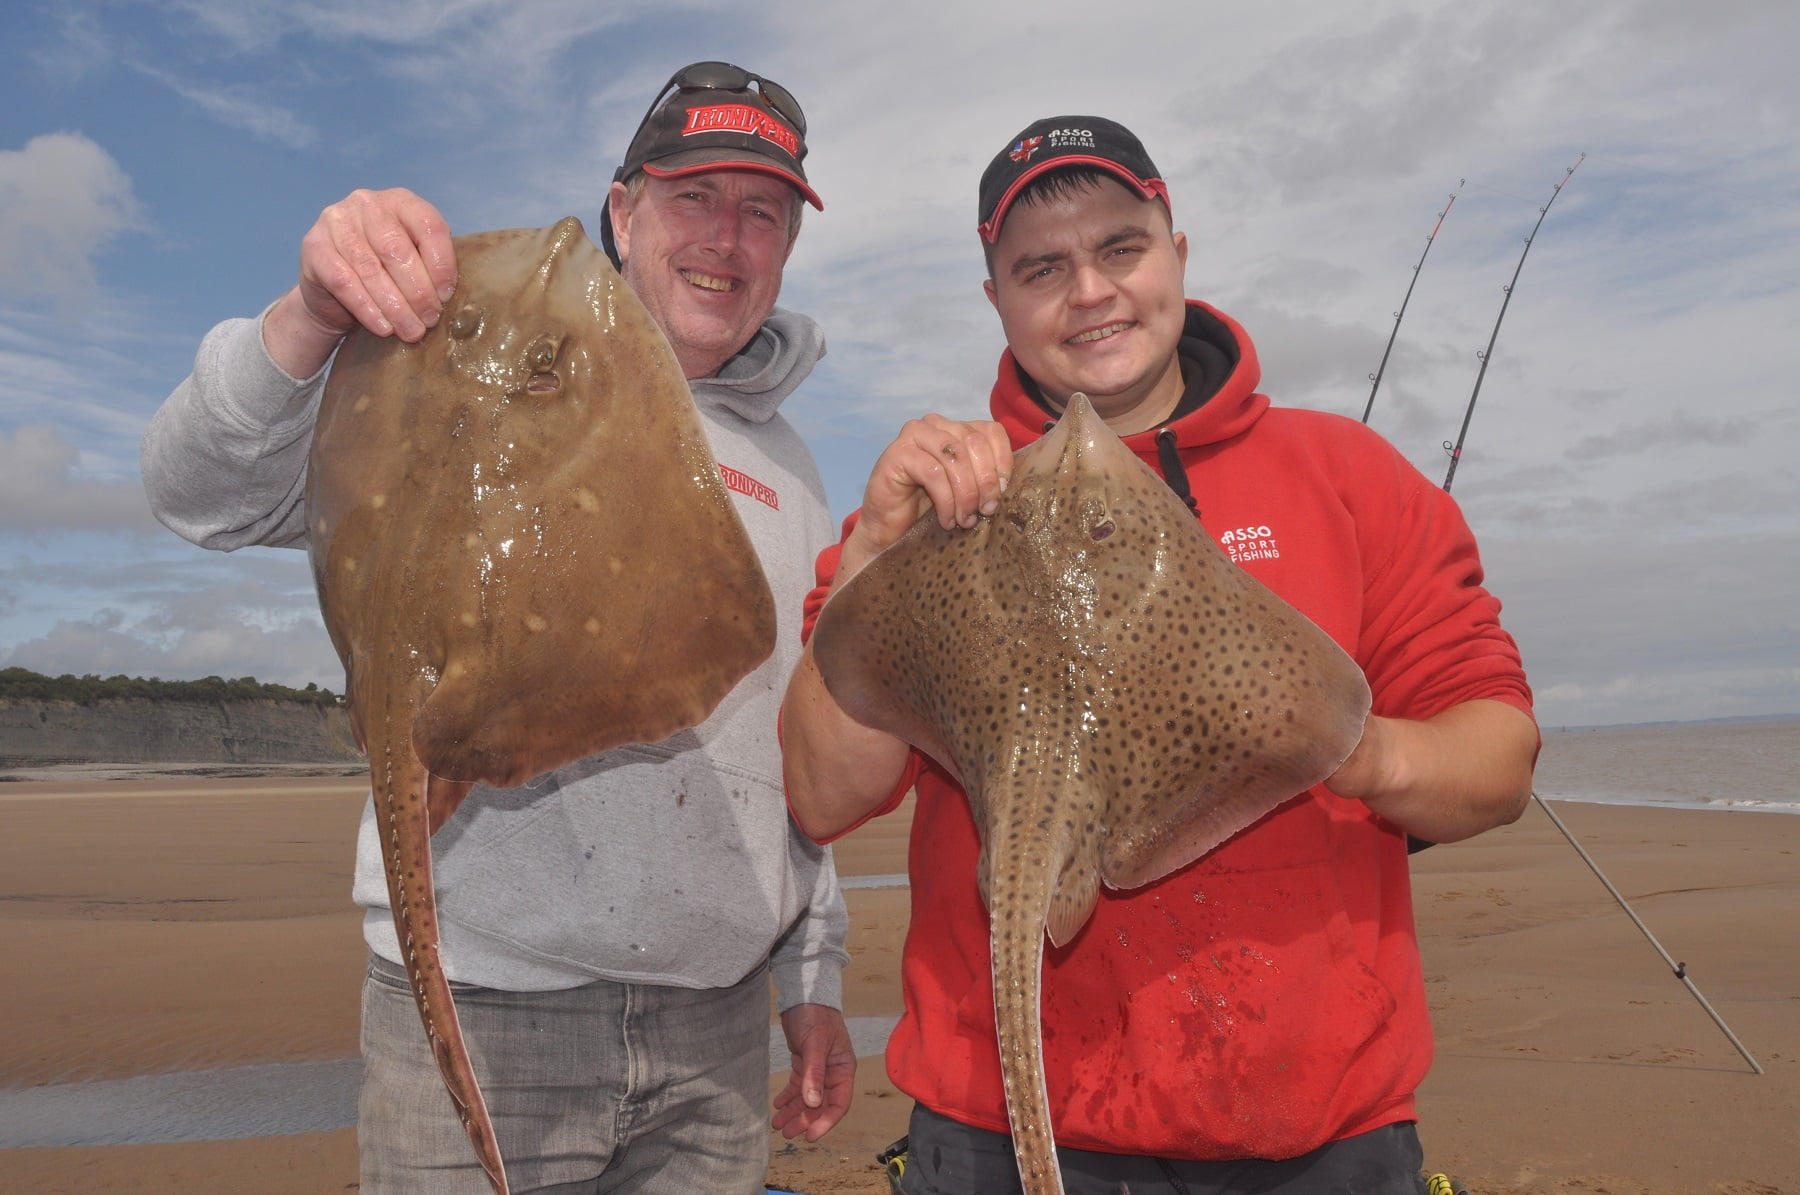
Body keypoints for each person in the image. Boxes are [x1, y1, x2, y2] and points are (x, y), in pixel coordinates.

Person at [781, 116, 1540, 1194]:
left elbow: (1499, 761)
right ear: (996, 298)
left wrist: (1343, 747)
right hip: (998, 1120)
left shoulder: (1348, 475)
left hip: (1319, 1136)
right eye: (1043, 267)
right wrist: (871, 552)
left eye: (1120, 248)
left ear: (1177, 253)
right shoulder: (942, 510)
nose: (1090, 291)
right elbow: (818, 794)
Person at [142, 62, 856, 1194]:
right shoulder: (430, 368)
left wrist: (810, 974)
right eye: (693, 197)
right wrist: (310, 318)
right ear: (625, 209)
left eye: (760, 210)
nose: (727, 235)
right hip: (488, 1002)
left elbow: (790, 745)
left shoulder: (793, 468)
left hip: (718, 1035)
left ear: (785, 246)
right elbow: (195, 490)